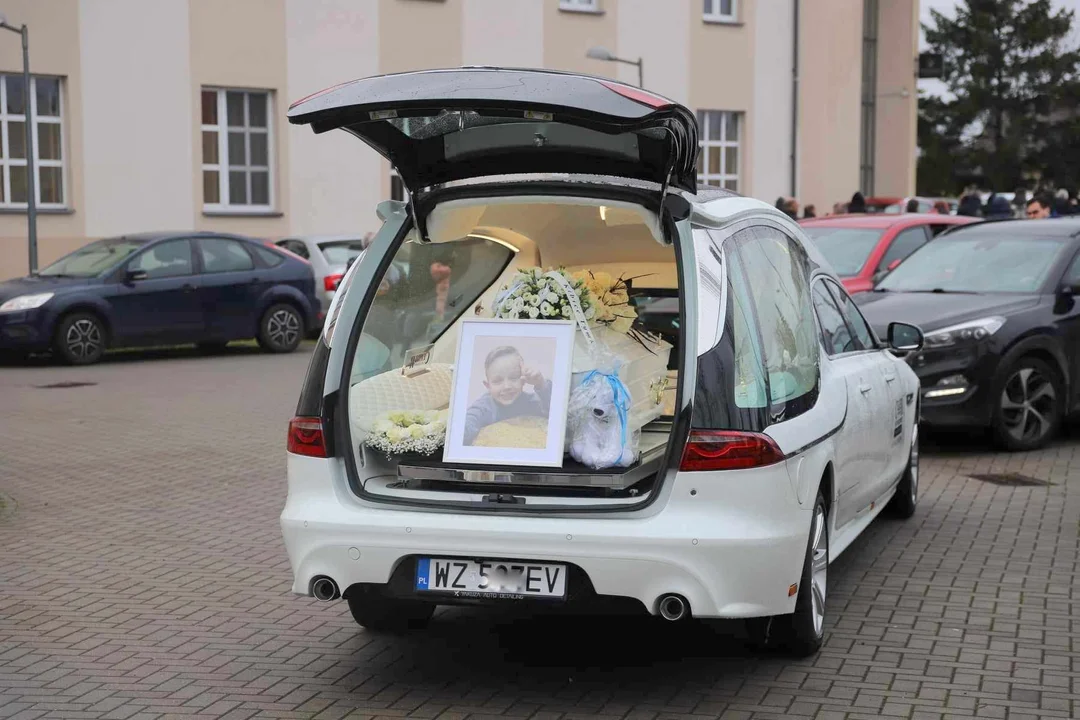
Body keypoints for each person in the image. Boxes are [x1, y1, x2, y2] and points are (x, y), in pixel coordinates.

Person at [463, 345, 552, 445]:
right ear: (488, 385)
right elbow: (467, 425)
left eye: (514, 378)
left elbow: (555, 412)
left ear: (523, 380)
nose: (506, 386)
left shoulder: (531, 402)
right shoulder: (483, 407)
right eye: (497, 381)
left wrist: (540, 384)